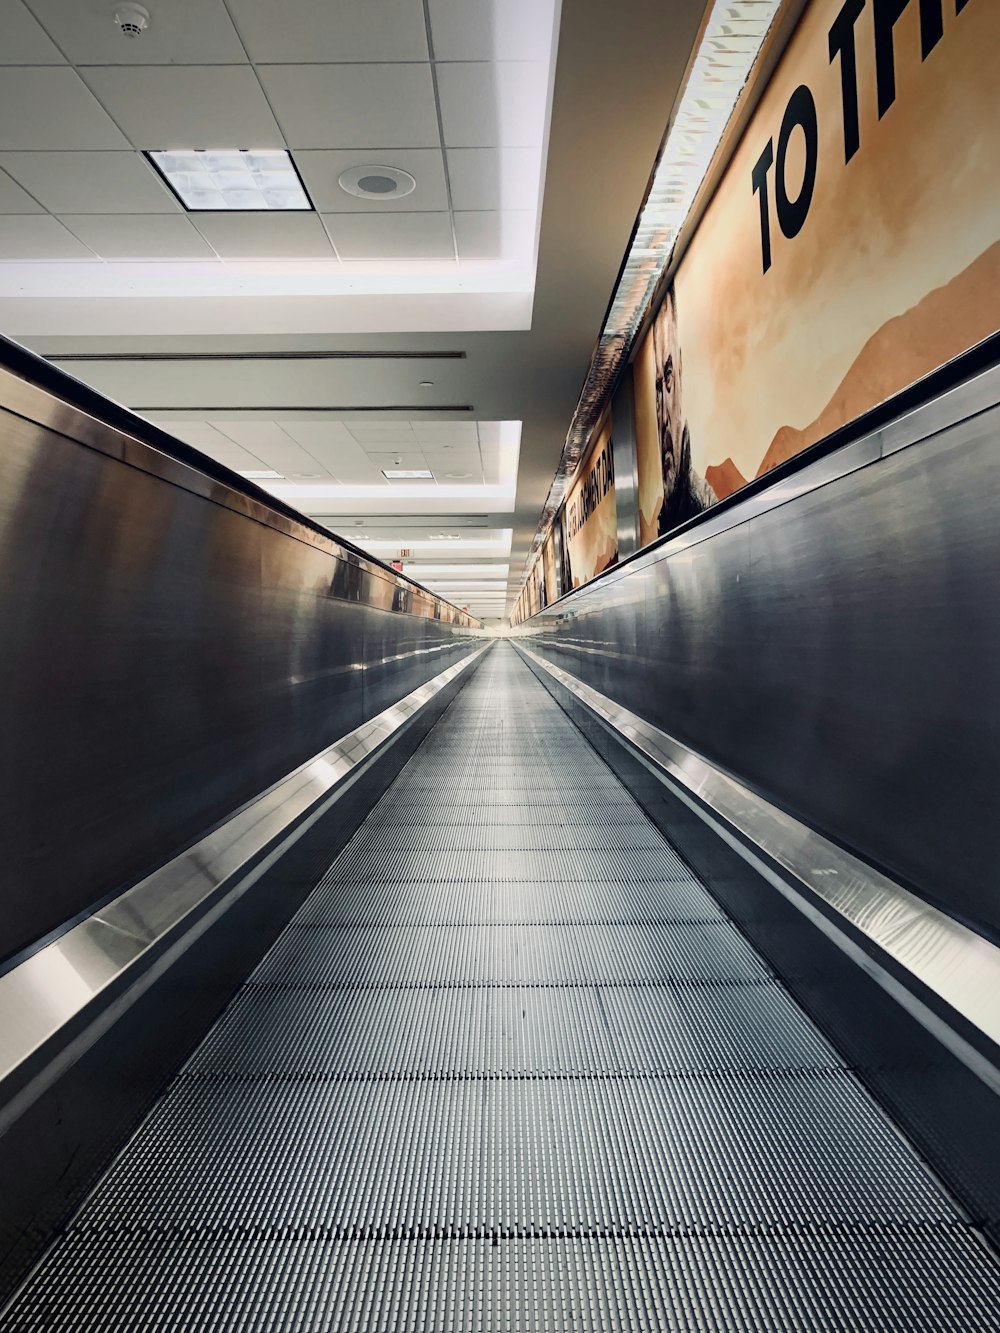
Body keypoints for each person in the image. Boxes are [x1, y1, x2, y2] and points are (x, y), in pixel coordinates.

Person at [653, 284, 714, 538]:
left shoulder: (706, 503)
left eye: (667, 376)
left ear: (680, 373)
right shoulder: (662, 517)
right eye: (657, 388)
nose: (663, 412)